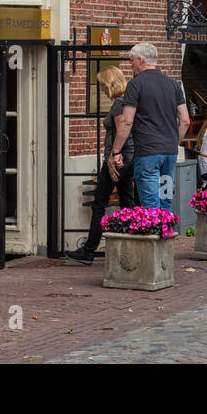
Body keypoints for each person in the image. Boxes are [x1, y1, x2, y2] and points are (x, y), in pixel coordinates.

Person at [65, 65, 136, 264]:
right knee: (127, 201)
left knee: (99, 203)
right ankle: (130, 242)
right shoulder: (128, 101)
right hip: (129, 159)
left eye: (103, 85)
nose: (103, 90)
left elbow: (123, 129)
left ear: (111, 83)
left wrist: (114, 157)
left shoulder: (119, 103)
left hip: (118, 159)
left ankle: (88, 250)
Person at [114, 42, 190, 210]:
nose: (131, 65)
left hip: (148, 153)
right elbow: (185, 120)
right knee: (165, 201)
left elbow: (127, 121)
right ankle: (166, 235)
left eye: (131, 60)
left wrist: (116, 151)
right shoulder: (173, 85)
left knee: (150, 206)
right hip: (169, 154)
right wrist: (174, 142)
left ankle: (154, 234)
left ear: (140, 60)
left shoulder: (135, 84)